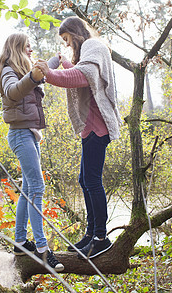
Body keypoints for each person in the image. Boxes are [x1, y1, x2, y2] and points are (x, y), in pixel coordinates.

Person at [34, 17, 122, 259]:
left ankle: (101, 238)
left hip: (98, 126)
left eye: (67, 39)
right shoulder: (87, 51)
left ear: (75, 33)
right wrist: (62, 65)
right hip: (90, 128)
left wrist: (49, 73)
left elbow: (83, 78)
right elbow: (77, 74)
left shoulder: (94, 46)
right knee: (85, 179)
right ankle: (91, 233)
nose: (67, 44)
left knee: (92, 181)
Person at [0, 33, 64, 272]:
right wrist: (33, 76)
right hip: (20, 135)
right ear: (18, 48)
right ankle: (42, 249)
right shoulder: (9, 71)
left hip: (29, 134)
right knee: (37, 188)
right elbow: (13, 92)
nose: (31, 49)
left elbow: (38, 73)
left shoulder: (20, 70)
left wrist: (56, 60)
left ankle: (20, 242)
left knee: (29, 189)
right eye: (28, 46)